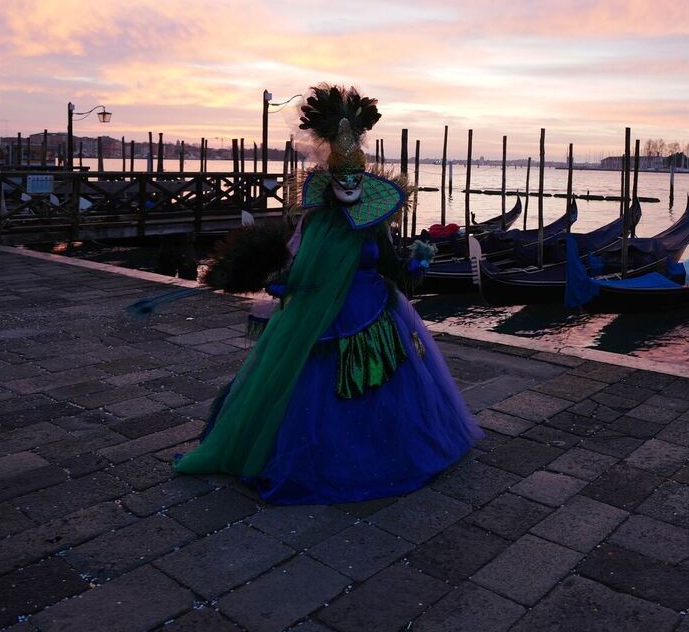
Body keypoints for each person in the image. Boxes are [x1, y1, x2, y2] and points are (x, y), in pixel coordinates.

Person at [174, 84, 480, 504]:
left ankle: (384, 453)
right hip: (321, 317)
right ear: (332, 177)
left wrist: (416, 266)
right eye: (343, 177)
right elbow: (299, 267)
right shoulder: (317, 223)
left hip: (375, 312)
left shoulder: (374, 224)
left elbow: (392, 269)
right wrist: (279, 281)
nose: (349, 184)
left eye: (356, 177)